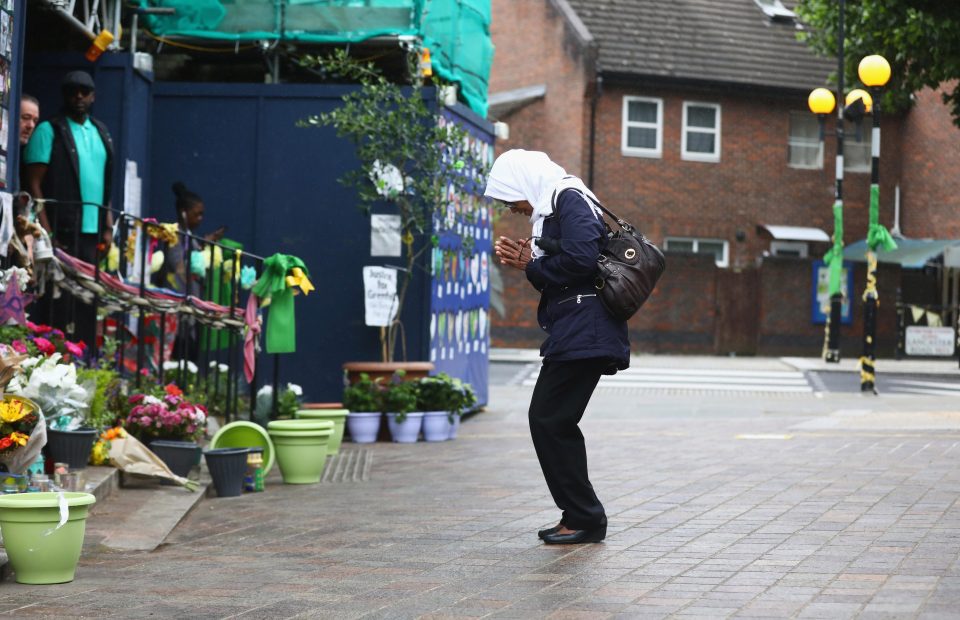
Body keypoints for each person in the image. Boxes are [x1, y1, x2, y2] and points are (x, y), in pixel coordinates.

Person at [485, 149, 629, 545]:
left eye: (509, 197)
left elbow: (582, 258)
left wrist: (534, 264)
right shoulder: (556, 205)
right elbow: (563, 273)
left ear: (524, 183)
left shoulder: (567, 197)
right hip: (579, 328)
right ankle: (578, 516)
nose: (511, 208)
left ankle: (585, 518)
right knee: (553, 421)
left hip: (587, 330)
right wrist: (532, 262)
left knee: (549, 420)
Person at [22, 71, 114, 346]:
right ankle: (52, 357)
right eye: (73, 90)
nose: (79, 96)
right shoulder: (49, 130)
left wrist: (108, 227)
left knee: (87, 300)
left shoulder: (101, 132)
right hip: (59, 232)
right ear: (64, 94)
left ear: (93, 96)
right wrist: (47, 232)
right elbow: (33, 184)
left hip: (91, 233)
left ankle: (83, 361)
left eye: (84, 91)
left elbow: (105, 185)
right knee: (57, 303)